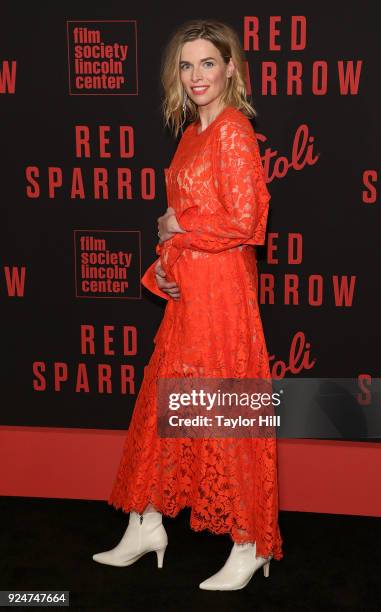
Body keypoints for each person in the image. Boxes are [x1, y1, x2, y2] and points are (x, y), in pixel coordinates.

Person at [92, 19, 283, 591]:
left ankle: (250, 543)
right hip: (190, 297)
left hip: (223, 298)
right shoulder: (192, 135)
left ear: (230, 69)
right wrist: (164, 262)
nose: (197, 75)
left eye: (207, 63)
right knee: (163, 410)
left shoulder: (232, 132)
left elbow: (246, 223)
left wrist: (180, 224)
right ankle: (146, 522)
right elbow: (183, 226)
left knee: (224, 412)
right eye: (186, 64)